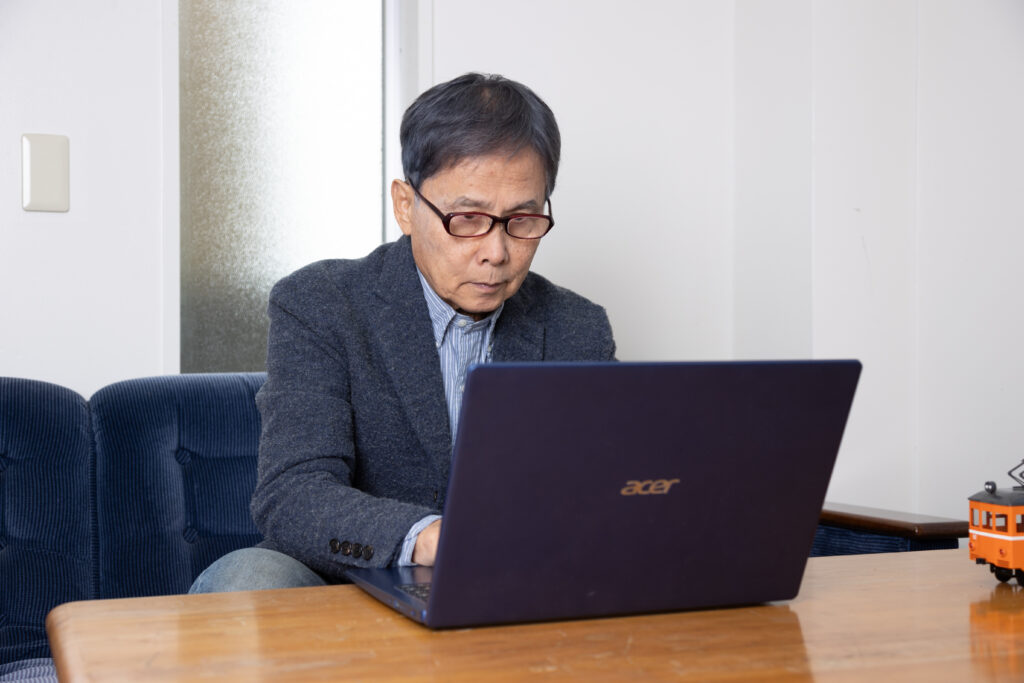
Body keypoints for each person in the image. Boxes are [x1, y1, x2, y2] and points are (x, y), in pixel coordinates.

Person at [190, 72, 615, 593]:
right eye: (468, 218)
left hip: (514, 580)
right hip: (346, 579)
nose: (496, 252)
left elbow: (607, 489)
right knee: (249, 579)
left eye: (522, 220)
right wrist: (427, 538)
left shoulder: (577, 326)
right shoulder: (321, 303)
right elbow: (293, 494)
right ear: (406, 206)